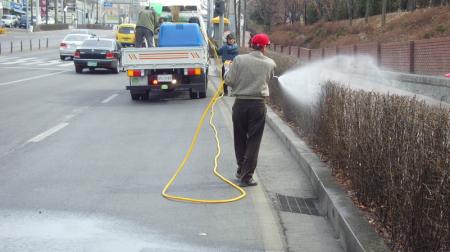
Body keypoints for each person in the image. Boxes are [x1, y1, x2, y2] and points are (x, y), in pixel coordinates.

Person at [224, 33, 276, 187]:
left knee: (239, 139)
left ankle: (241, 169)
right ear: (265, 46)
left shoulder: (239, 59)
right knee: (254, 141)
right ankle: (247, 176)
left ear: (251, 45)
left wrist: (228, 69)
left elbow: (229, 80)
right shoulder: (270, 63)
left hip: (240, 105)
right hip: (258, 106)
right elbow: (268, 80)